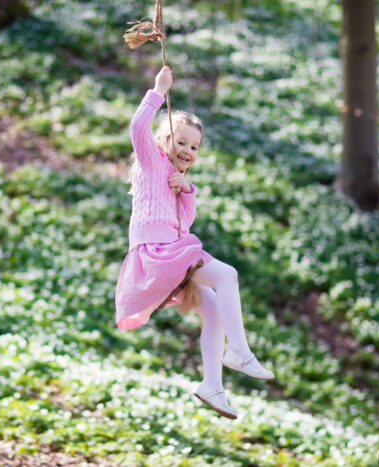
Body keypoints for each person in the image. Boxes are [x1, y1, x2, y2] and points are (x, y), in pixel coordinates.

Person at [115, 66, 274, 419]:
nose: (187, 150)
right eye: (181, 142)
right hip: (155, 254)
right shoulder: (150, 160)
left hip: (172, 253)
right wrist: (158, 90)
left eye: (194, 146)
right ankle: (240, 351)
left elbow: (185, 225)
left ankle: (212, 386)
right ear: (164, 142)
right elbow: (138, 127)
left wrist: (185, 189)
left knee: (214, 308)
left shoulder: (179, 182)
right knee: (227, 274)